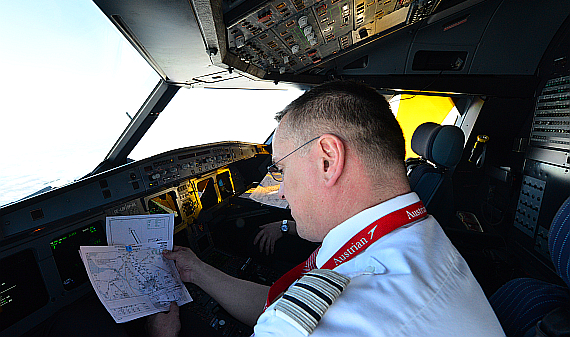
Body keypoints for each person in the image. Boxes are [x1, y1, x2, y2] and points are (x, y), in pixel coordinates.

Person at [148, 80, 505, 336]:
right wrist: (197, 272)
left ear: (327, 160)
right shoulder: (412, 234)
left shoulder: (338, 317)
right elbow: (279, 302)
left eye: (281, 170)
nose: (282, 192)